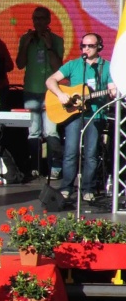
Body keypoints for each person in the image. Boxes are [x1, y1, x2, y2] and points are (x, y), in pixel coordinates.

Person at [45, 33, 116, 202]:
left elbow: (112, 88)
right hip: (74, 115)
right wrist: (61, 94)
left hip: (96, 115)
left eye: (90, 46)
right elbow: (50, 81)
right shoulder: (73, 64)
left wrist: (113, 92)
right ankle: (66, 188)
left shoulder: (107, 66)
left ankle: (88, 188)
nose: (86, 49)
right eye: (83, 46)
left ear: (99, 47)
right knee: (70, 152)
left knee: (91, 154)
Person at [16, 6, 64, 179]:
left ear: (49, 20)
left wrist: (49, 46)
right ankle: (35, 168)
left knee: (51, 131)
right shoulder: (26, 38)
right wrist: (26, 45)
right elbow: (19, 64)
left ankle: (55, 168)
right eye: (35, 18)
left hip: (52, 92)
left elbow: (58, 67)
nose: (38, 22)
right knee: (33, 132)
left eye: (42, 18)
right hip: (31, 91)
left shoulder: (56, 40)